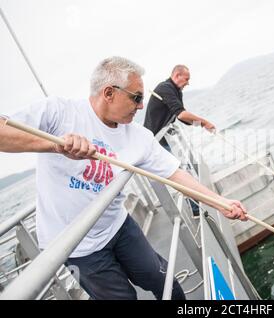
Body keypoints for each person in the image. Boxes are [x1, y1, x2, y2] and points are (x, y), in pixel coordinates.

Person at [0, 56, 247, 300]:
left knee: (164, 281)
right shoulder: (58, 113)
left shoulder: (138, 137)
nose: (141, 106)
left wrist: (221, 203)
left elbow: (176, 174)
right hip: (78, 248)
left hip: (117, 225)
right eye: (136, 97)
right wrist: (54, 146)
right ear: (109, 93)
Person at [143, 65, 215, 149]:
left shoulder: (178, 91)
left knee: (186, 160)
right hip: (155, 140)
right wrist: (205, 123)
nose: (188, 83)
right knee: (175, 162)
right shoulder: (164, 87)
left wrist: (200, 124)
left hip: (165, 136)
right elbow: (181, 114)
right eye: (186, 79)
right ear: (177, 75)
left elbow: (181, 117)